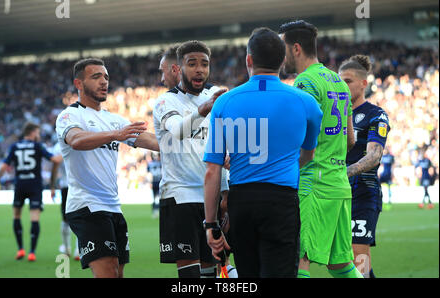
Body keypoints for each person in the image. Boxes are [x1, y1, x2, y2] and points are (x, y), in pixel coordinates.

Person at [203, 27, 323, 278]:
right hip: (281, 201)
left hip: (241, 202)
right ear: (282, 61)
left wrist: (211, 225)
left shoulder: (225, 102)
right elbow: (308, 156)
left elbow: (212, 170)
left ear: (249, 60)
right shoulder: (306, 103)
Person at [55, 58, 159, 278]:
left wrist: (196, 142)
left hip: (113, 208)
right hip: (87, 207)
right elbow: (76, 140)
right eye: (96, 77)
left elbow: (152, 141)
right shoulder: (69, 115)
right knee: (108, 273)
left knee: (118, 274)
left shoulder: (113, 119)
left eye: (106, 77)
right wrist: (115, 135)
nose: (104, 82)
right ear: (79, 84)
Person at [279, 20, 362, 278]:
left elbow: (300, 135)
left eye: (282, 48)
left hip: (314, 184)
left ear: (295, 48)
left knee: (299, 258)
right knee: (341, 266)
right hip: (339, 184)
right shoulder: (338, 82)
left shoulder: (304, 82)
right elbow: (350, 140)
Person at [153, 40, 229, 278]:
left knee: (212, 272)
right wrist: (204, 109)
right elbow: (178, 131)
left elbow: (229, 141)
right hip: (181, 196)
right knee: (190, 277)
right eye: (192, 64)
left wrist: (226, 191)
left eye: (204, 64)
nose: (199, 70)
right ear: (179, 68)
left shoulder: (217, 97)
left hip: (212, 198)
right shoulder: (167, 101)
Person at [340, 54, 391, 278]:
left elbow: (374, 155)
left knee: (358, 258)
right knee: (340, 261)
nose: (343, 86)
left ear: (363, 83)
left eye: (348, 81)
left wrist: (346, 171)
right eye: (340, 81)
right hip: (334, 193)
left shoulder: (375, 115)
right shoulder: (334, 115)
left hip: (362, 193)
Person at [0, 122, 61, 261]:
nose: (39, 135)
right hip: (35, 186)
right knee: (35, 218)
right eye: (38, 133)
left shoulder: (15, 146)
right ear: (33, 132)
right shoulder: (37, 146)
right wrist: (69, 151)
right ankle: (32, 252)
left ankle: (20, 249)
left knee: (16, 216)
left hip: (20, 185)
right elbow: (54, 159)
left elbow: (4, 166)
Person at [50, 141, 80, 260]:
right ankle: (79, 250)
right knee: (82, 217)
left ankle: (67, 248)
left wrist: (52, 186)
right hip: (82, 186)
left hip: (66, 186)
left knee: (66, 218)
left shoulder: (58, 146)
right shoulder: (83, 139)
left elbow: (55, 165)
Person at [146, 152, 162, 218]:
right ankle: (154, 211)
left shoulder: (153, 163)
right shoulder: (152, 164)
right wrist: (150, 182)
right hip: (154, 182)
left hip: (160, 182)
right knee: (154, 198)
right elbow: (149, 174)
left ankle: (158, 211)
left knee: (159, 198)